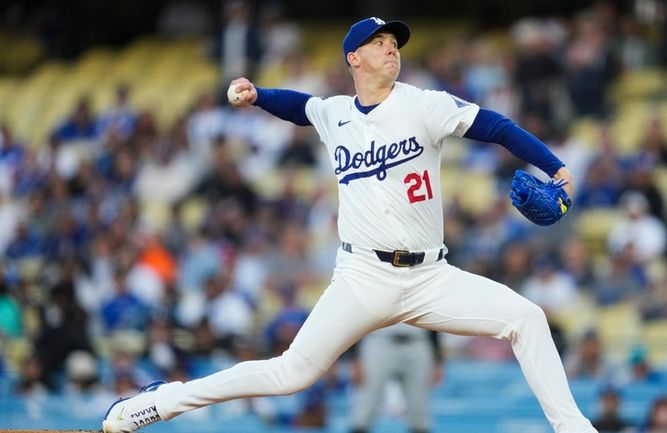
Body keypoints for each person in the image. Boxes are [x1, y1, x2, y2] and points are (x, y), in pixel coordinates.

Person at [102, 17, 597, 433]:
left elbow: (499, 127)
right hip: (363, 277)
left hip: (431, 277)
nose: (391, 50)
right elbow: (302, 108)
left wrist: (556, 167)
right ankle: (161, 403)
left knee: (526, 318)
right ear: (353, 59)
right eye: (379, 44)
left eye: (394, 44)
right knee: (290, 373)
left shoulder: (423, 104)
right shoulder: (335, 113)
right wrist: (257, 95)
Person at [348, 323, 443, 433]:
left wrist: (438, 360)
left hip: (418, 340)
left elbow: (433, 320)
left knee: (420, 410)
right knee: (364, 408)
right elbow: (359, 317)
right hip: (379, 340)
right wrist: (354, 358)